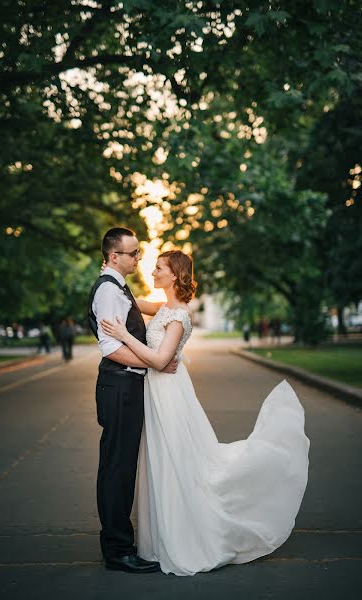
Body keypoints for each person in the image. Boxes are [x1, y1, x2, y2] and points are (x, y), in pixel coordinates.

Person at [101, 250, 310, 576]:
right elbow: (131, 302)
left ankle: (191, 533)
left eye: (158, 268)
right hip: (156, 391)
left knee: (176, 460)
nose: (152, 272)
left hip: (168, 394)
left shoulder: (179, 316)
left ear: (174, 275)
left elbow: (160, 361)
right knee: (160, 460)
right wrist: (111, 275)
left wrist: (125, 335)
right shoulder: (164, 308)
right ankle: (160, 536)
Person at [88, 228, 178, 574]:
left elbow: (157, 309)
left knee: (122, 468)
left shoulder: (119, 288)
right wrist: (158, 361)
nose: (138, 259)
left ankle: (119, 544)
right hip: (119, 386)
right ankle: (118, 551)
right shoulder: (109, 291)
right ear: (114, 257)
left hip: (126, 386)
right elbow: (111, 347)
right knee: (117, 469)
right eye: (133, 253)